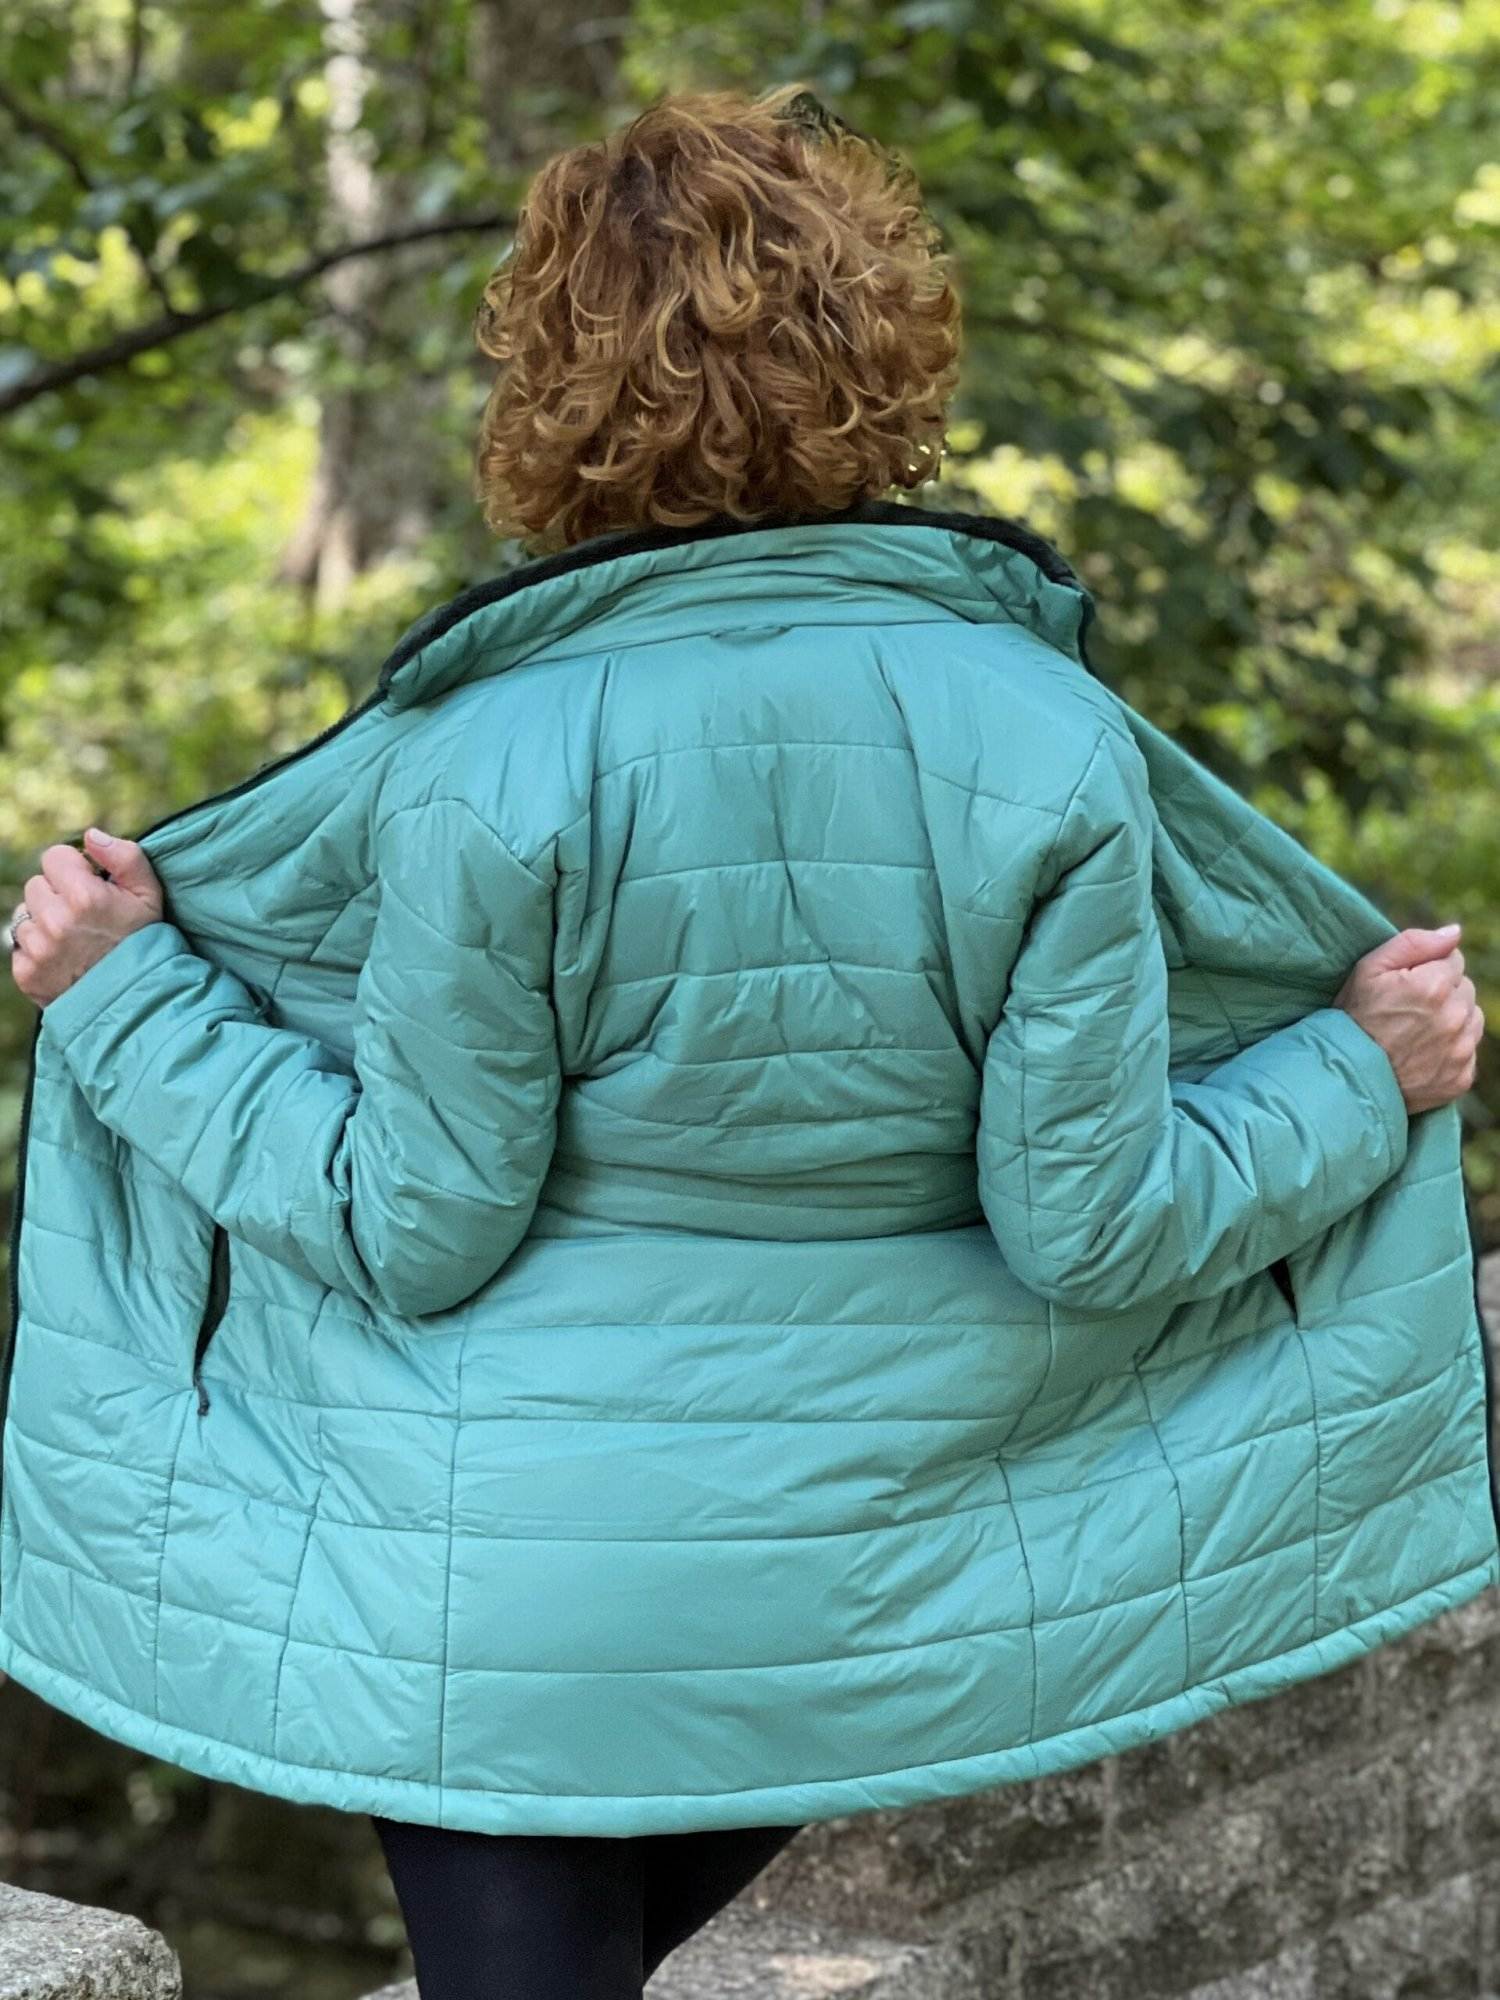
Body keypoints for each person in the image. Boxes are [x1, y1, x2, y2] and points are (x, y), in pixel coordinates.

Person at [4, 84, 1486, 2000]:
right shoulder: (1046, 737)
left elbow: (409, 1227)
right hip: (868, 1608)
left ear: (543, 379)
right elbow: (1095, 1227)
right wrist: (1358, 1071)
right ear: (884, 343)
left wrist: (126, 994)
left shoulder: (479, 762)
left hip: (512, 1603)